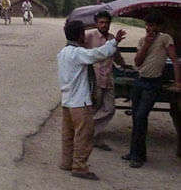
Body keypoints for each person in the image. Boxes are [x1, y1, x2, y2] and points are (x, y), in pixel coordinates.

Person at [58, 19, 126, 180]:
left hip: (67, 101)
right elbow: (97, 54)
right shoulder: (78, 53)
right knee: (84, 134)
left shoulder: (62, 53)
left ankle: (67, 162)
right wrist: (114, 42)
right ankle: (80, 166)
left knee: (68, 134)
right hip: (80, 102)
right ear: (80, 35)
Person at [122, 13, 181, 168]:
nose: (150, 28)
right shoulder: (142, 41)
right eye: (148, 25)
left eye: (153, 25)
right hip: (140, 82)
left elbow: (175, 60)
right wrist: (147, 45)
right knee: (136, 118)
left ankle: (137, 156)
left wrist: (177, 82)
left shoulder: (165, 39)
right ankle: (136, 153)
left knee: (141, 116)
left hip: (153, 84)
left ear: (159, 27)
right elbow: (137, 62)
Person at [84, 11, 127, 150]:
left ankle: (87, 132)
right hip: (94, 78)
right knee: (95, 107)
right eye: (101, 22)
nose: (104, 25)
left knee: (109, 109)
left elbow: (116, 55)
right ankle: (90, 137)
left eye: (107, 22)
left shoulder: (112, 38)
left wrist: (124, 64)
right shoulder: (89, 36)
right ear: (96, 23)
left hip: (108, 78)